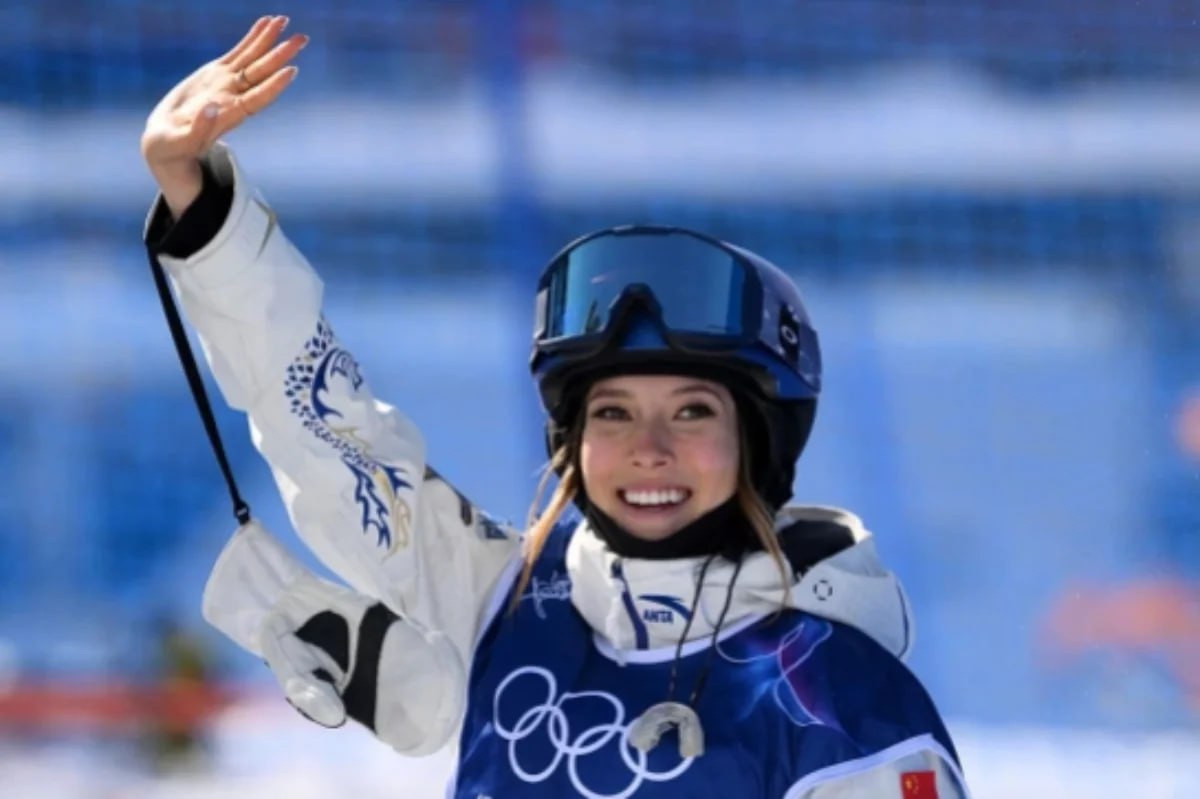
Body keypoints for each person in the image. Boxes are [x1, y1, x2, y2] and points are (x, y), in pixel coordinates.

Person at [142, 16, 970, 798]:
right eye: (610, 413)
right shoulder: (512, 601)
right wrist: (206, 215)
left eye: (691, 413)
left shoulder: (847, 705)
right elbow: (327, 429)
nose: (649, 447)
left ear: (760, 441)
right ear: (570, 442)